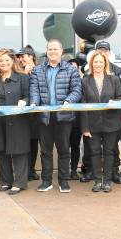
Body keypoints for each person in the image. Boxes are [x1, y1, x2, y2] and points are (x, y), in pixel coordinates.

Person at [30, 39, 82, 193]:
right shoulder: (37, 70)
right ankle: (46, 181)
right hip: (44, 117)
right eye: (50, 49)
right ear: (46, 51)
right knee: (45, 151)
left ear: (61, 51)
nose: (52, 52)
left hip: (64, 116)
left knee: (64, 150)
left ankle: (64, 181)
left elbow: (77, 89)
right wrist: (33, 103)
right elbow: (34, 90)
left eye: (55, 49)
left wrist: (69, 100)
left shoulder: (70, 69)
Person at [0, 49, 31, 195]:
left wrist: (25, 101)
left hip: (17, 120)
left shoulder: (22, 77)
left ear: (12, 61)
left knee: (19, 151)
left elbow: (29, 95)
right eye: (1, 60)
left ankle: (20, 182)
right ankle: (5, 181)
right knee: (1, 151)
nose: (4, 63)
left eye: (7, 60)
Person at [80, 51, 121, 192]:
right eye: (95, 62)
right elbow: (83, 105)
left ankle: (108, 181)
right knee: (95, 152)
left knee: (110, 152)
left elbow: (120, 99)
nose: (98, 64)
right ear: (91, 63)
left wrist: (114, 102)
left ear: (105, 63)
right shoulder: (85, 80)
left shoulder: (114, 79)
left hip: (111, 123)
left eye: (101, 62)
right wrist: (85, 128)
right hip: (92, 124)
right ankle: (98, 181)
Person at [95, 40, 121, 184]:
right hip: (94, 120)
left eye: (105, 50)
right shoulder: (90, 71)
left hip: (112, 119)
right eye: (99, 50)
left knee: (112, 148)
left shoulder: (117, 71)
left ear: (109, 52)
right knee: (93, 150)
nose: (102, 53)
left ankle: (114, 172)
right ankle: (92, 173)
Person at [17, 45, 41, 181]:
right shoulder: (19, 72)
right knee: (24, 142)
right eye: (19, 57)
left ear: (31, 56)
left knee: (34, 142)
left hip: (36, 113)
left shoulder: (40, 69)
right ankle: (24, 171)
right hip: (23, 113)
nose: (21, 59)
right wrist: (25, 73)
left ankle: (31, 169)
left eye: (23, 56)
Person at [67, 58, 85, 180]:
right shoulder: (62, 81)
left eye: (75, 67)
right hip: (63, 119)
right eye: (70, 67)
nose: (73, 69)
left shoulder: (82, 82)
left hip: (77, 120)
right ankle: (64, 170)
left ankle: (73, 170)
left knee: (75, 146)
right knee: (63, 147)